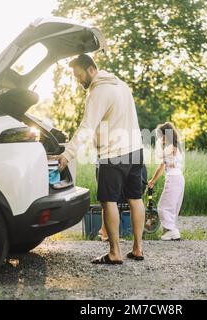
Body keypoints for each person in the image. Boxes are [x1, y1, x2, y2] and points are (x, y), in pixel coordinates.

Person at [52, 54, 145, 264]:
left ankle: (114, 253)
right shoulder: (121, 85)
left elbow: (87, 126)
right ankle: (138, 249)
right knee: (135, 198)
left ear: (91, 69)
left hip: (113, 154)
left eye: (79, 75)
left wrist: (67, 154)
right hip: (135, 150)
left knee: (108, 200)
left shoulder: (98, 91)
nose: (79, 80)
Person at [148, 122, 184, 241]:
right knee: (172, 206)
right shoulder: (175, 146)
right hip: (178, 178)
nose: (159, 138)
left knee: (163, 207)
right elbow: (163, 165)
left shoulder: (170, 147)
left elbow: (160, 161)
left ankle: (172, 231)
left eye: (160, 135)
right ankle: (169, 230)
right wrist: (153, 181)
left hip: (173, 179)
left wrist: (153, 180)